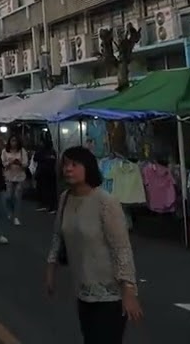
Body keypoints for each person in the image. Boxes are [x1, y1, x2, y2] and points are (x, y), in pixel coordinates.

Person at [45, 146, 142, 344]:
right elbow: (57, 236)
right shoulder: (65, 199)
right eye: (65, 165)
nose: (68, 169)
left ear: (88, 167)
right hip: (83, 291)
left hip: (110, 296)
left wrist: (129, 290)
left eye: (74, 164)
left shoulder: (105, 202)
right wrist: (50, 269)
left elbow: (121, 248)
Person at [0, 133, 28, 226]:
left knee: (17, 196)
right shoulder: (5, 151)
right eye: (12, 140)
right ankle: (9, 212)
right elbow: (2, 163)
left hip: (20, 176)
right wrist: (10, 162)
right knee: (8, 196)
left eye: (15, 141)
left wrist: (19, 163)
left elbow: (25, 164)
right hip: (9, 176)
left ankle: (16, 216)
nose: (14, 143)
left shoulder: (22, 151)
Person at [33, 137, 59, 213]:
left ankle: (46, 205)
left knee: (43, 189)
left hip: (43, 173)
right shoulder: (52, 152)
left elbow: (35, 158)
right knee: (51, 190)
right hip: (50, 173)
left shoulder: (41, 152)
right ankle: (51, 206)